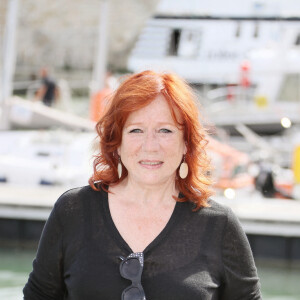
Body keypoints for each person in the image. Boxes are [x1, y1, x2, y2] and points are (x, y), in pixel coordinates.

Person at [23, 70, 262, 299]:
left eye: (165, 130)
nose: (150, 146)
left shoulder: (220, 226)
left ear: (186, 144)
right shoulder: (73, 211)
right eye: (136, 130)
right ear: (116, 141)